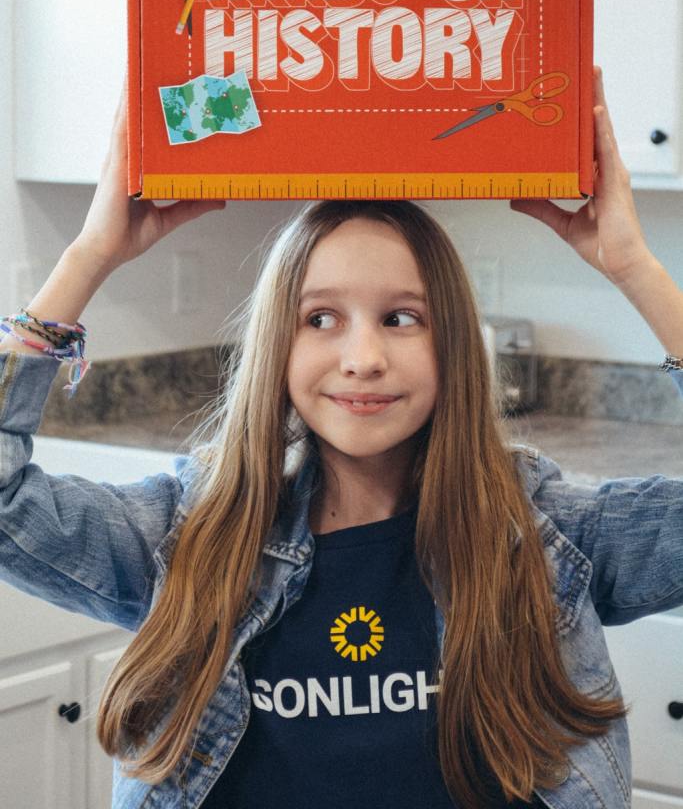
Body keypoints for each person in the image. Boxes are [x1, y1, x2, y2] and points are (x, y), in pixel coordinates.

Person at [0, 66, 681, 809]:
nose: (362, 356)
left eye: (401, 318)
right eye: (320, 318)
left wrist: (634, 268)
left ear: (450, 342)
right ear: (277, 349)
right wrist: (87, 255)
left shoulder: (547, 534)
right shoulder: (186, 533)